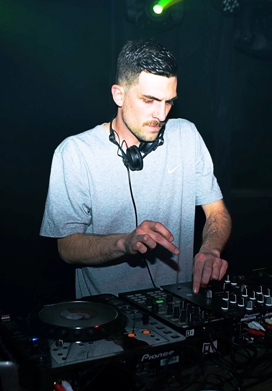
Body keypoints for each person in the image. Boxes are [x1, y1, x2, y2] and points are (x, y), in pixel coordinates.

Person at [40, 39, 232, 299]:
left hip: (181, 301)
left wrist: (210, 250)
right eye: (149, 100)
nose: (161, 115)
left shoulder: (187, 136)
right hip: (108, 312)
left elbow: (217, 212)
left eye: (168, 102)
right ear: (118, 95)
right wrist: (124, 242)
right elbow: (67, 247)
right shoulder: (75, 153)